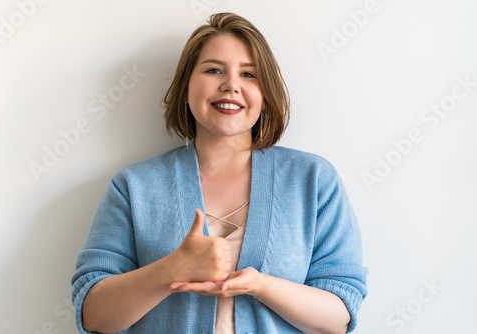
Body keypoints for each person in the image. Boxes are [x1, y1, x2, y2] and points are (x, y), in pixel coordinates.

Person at [71, 12, 368, 334]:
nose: (231, 85)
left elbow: (340, 317)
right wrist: (170, 270)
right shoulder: (134, 186)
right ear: (186, 87)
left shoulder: (313, 180)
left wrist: (261, 285)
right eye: (214, 70)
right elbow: (94, 315)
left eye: (249, 75)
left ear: (265, 95)